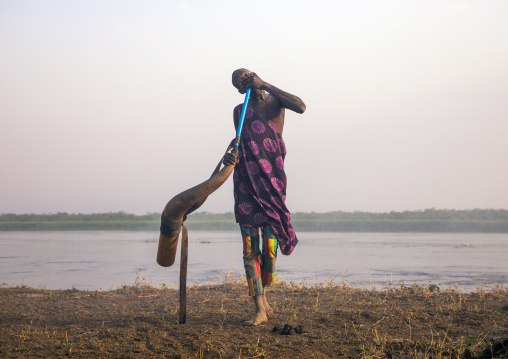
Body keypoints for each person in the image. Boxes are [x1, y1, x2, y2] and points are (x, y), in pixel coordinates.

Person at [223, 68, 306, 326]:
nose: (246, 80)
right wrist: (228, 155)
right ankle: (259, 306)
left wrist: (266, 84)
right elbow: (241, 143)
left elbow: (301, 107)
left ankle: (265, 294)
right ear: (239, 89)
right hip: (246, 184)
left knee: (269, 249)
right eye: (241, 81)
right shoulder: (239, 110)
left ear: (257, 76)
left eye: (249, 75)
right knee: (250, 250)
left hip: (272, 184)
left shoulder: (276, 101)